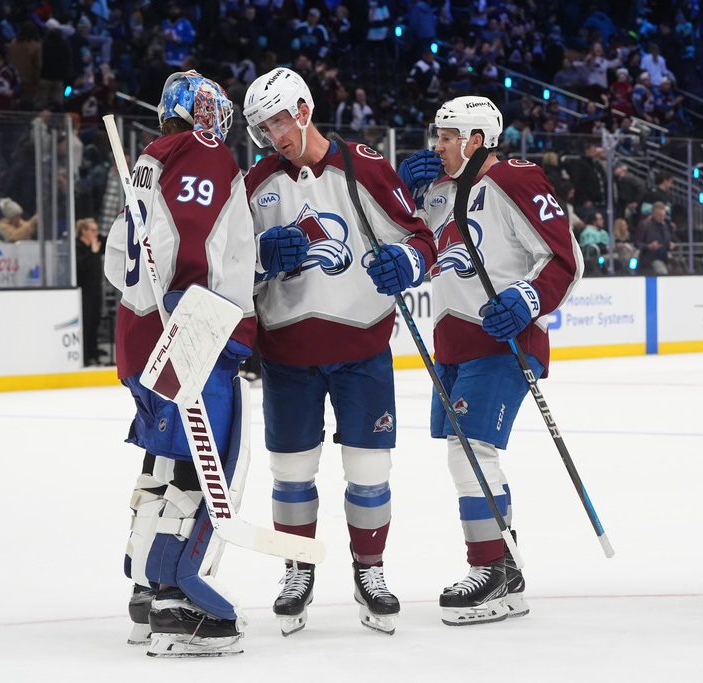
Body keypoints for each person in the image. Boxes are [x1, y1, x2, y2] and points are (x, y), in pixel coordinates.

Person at [242, 67, 437, 636]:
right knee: (292, 473)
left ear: (303, 109)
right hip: (287, 355)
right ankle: (297, 570)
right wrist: (259, 258)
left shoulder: (366, 166)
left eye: (278, 120)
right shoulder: (255, 182)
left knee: (370, 469)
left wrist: (411, 262)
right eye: (262, 127)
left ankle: (369, 570)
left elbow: (419, 236)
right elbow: (229, 266)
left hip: (362, 349)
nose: (273, 135)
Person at [400, 95, 582, 625]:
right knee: (465, 452)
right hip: (453, 343)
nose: (437, 146)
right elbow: (408, 243)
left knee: (471, 453)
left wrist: (527, 298)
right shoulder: (438, 191)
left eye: (446, 137)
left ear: (476, 139)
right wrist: (402, 188)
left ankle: (492, 570)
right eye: (437, 136)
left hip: (503, 338)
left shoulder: (516, 180)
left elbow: (564, 258)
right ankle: (506, 569)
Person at [105, 70, 255, 657]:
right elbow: (194, 243)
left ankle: (146, 589)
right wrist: (203, 312)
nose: (223, 125)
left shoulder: (150, 157)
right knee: (204, 469)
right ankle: (177, 602)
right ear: (202, 114)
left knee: (165, 462)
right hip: (191, 334)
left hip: (141, 336)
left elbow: (124, 262)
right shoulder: (202, 152)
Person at [74, 217, 104, 366]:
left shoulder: (96, 244)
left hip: (96, 290)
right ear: (84, 231)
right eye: (93, 230)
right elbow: (81, 269)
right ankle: (85, 356)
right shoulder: (77, 246)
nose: (96, 233)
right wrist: (92, 252)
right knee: (86, 323)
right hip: (84, 292)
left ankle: (93, 353)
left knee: (95, 322)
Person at [633, 201, 674, 275]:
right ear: (653, 214)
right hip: (649, 260)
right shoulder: (644, 225)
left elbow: (667, 239)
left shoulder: (664, 226)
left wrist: (669, 244)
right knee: (662, 271)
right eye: (659, 215)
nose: (662, 218)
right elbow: (636, 243)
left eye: (663, 215)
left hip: (665, 258)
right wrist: (649, 246)